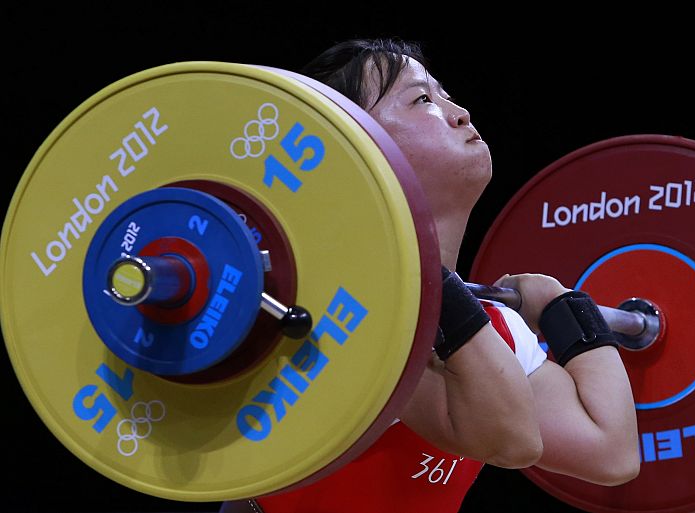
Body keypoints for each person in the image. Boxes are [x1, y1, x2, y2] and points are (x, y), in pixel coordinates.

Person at [221, 38, 640, 513]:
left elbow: (611, 452)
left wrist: (566, 309)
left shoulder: (492, 326)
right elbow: (510, 439)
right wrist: (419, 274)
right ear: (355, 144)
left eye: (445, 95)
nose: (460, 112)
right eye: (423, 99)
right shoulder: (340, 305)